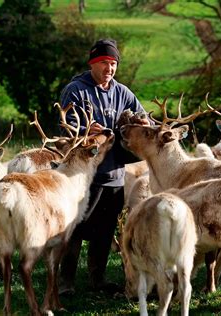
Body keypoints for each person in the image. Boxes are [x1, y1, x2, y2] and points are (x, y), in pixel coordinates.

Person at [58, 38, 149, 294]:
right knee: (75, 227)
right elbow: (65, 127)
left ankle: (98, 281)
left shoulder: (123, 92)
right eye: (103, 63)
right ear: (92, 63)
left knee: (105, 230)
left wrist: (141, 122)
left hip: (115, 175)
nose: (109, 68)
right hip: (83, 177)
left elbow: (144, 117)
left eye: (113, 63)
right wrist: (86, 130)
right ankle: (65, 283)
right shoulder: (76, 90)